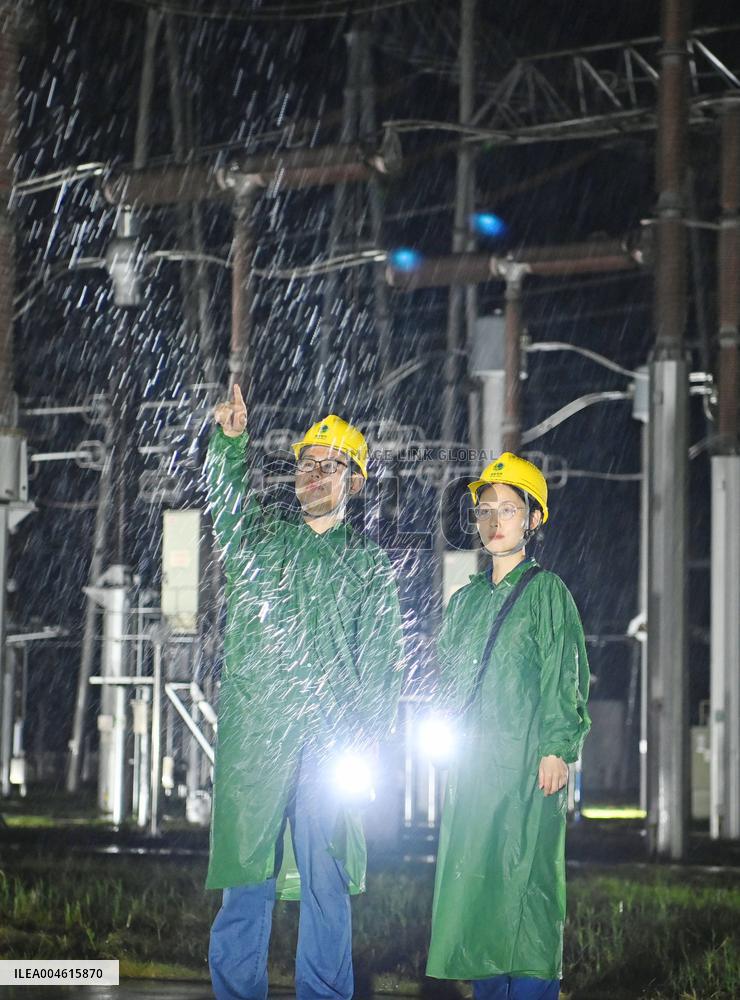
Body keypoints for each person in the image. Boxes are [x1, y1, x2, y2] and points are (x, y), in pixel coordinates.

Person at [206, 384, 404, 1000]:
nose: (315, 474)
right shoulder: (259, 543)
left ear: (355, 481)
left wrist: (370, 744)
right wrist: (230, 444)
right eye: (307, 463)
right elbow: (227, 508)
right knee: (247, 878)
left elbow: (381, 664)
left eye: (330, 465)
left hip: (330, 745)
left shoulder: (367, 565)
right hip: (260, 737)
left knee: (326, 880)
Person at [426, 453, 591, 1000]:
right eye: (485, 510)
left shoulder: (547, 593)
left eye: (509, 509)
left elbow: (564, 674)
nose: (495, 521)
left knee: (528, 885)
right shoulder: (466, 601)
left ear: (533, 520)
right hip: (474, 772)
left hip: (527, 767)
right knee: (478, 888)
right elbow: (450, 682)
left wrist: (557, 747)